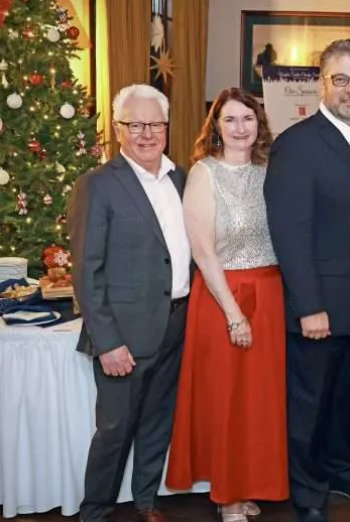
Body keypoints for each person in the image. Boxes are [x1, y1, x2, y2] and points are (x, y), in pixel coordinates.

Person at [264, 39, 350, 522]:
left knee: (349, 402)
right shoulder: (297, 145)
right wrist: (309, 306)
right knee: (309, 409)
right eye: (341, 79)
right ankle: (308, 493)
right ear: (323, 82)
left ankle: (342, 472)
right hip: (319, 309)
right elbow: (290, 233)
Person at [68, 84, 192, 522]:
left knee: (158, 421)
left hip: (176, 325)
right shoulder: (97, 185)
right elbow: (87, 271)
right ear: (118, 129)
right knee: (115, 430)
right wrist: (107, 342)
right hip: (124, 334)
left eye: (155, 124)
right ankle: (95, 511)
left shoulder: (181, 178)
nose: (147, 134)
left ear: (167, 127)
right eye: (135, 124)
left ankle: (145, 501)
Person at [165, 87, 288, 521]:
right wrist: (235, 316)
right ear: (216, 127)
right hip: (223, 298)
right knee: (227, 399)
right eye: (230, 119)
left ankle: (248, 482)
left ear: (260, 124)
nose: (240, 128)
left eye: (248, 119)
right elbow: (203, 252)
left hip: (269, 296)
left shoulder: (270, 171)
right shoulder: (205, 173)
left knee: (258, 402)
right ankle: (227, 494)